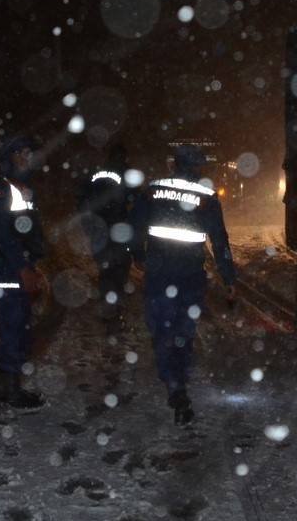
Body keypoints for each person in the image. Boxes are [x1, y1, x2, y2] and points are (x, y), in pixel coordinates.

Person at [128, 143, 238, 426]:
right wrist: (229, 279)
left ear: (174, 164)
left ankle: (174, 385)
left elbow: (134, 229)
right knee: (184, 332)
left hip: (159, 275)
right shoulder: (207, 196)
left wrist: (138, 257)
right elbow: (220, 241)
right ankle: (180, 381)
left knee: (162, 331)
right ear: (198, 167)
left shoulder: (152, 191)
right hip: (190, 277)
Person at [0, 134, 48, 409]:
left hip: (19, 266)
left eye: (30, 152)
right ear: (9, 156)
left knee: (21, 327)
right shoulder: (0, 189)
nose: (27, 157)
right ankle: (9, 391)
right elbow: (3, 235)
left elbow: (28, 231)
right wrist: (22, 268)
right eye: (21, 152)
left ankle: (14, 386)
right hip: (7, 269)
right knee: (12, 327)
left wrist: (34, 262)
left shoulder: (22, 187)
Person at [75, 144, 134, 334]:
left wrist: (89, 225)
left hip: (98, 231)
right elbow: (136, 201)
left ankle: (108, 310)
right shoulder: (126, 175)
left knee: (105, 271)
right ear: (124, 158)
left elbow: (81, 201)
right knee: (120, 271)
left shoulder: (95, 174)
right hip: (119, 231)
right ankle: (117, 312)